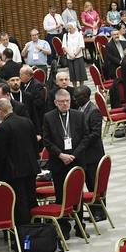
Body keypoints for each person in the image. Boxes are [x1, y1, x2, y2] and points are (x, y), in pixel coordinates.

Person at [42, 88, 90, 237]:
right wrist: (60, 154)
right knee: (60, 195)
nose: (65, 104)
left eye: (67, 101)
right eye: (61, 102)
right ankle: (63, 226)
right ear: (56, 102)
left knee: (78, 194)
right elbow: (47, 140)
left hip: (76, 161)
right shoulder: (48, 117)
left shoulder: (79, 115)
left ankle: (79, 226)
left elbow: (86, 137)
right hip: (58, 162)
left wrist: (73, 155)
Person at [0, 98, 39, 226]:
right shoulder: (27, 121)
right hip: (31, 168)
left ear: (0, 111)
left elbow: (2, 155)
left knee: (20, 203)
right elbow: (35, 146)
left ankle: (24, 233)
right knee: (32, 199)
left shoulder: (2, 128)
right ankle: (36, 228)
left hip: (14, 172)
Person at [73, 86, 105, 195]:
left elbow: (95, 134)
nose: (74, 99)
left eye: (77, 97)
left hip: (93, 156)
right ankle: (93, 210)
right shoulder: (80, 109)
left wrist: (81, 144)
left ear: (85, 97)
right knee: (88, 184)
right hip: (84, 156)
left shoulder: (93, 111)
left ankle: (99, 211)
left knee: (95, 186)